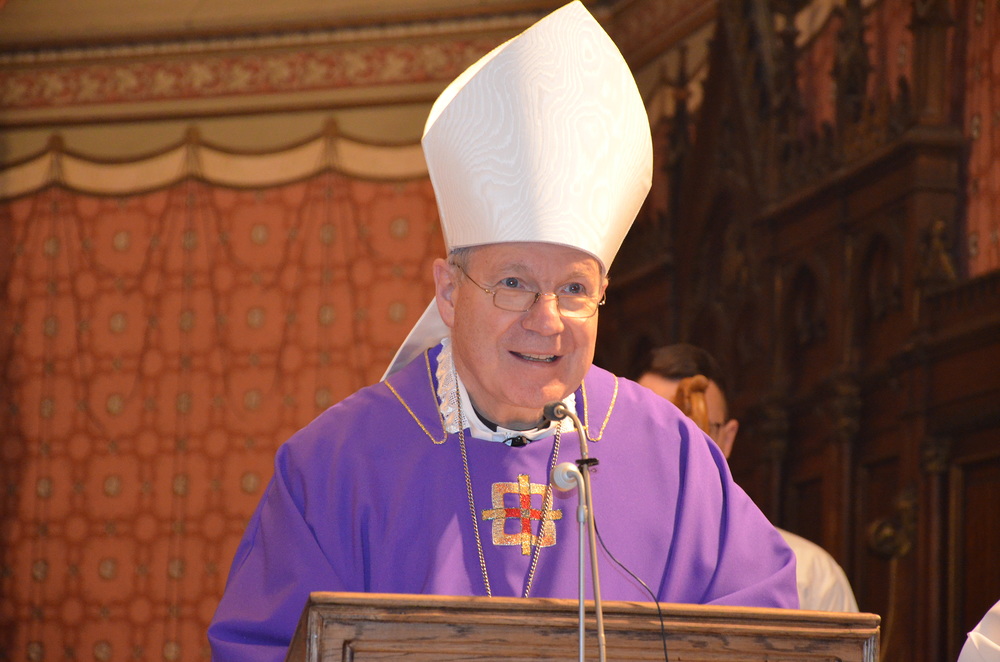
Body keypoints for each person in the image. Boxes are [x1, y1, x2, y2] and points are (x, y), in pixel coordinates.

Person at [208, 4, 798, 660]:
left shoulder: (678, 460)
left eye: (574, 289)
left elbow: (767, 632)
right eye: (514, 283)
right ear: (449, 291)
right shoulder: (335, 466)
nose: (546, 321)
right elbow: (260, 648)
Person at [637, 343, 860, 612]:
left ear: (727, 438)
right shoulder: (597, 557)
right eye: (649, 427)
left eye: (700, 429)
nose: (676, 449)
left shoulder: (809, 573)